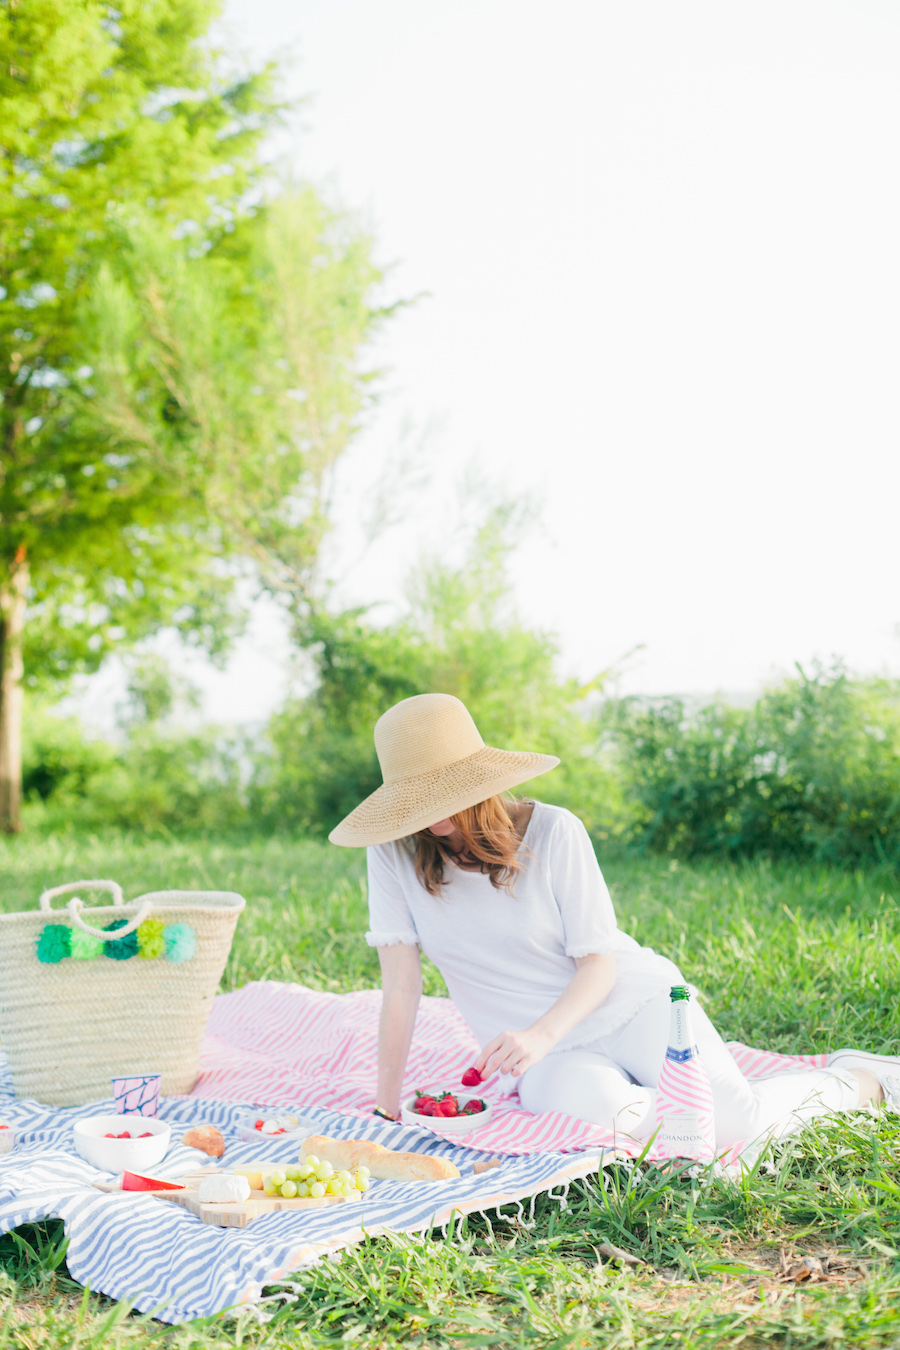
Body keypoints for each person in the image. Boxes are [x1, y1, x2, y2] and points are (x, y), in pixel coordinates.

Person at [329, 692, 899, 1151]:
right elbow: (402, 986)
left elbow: (598, 965)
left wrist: (537, 1035)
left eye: (443, 798)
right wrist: (386, 1107)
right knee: (614, 1114)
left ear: (479, 785)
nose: (431, 819)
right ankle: (687, 1122)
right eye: (415, 801)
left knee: (734, 1121)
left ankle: (855, 1081)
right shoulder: (393, 853)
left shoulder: (555, 832)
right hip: (549, 1057)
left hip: (628, 1004)